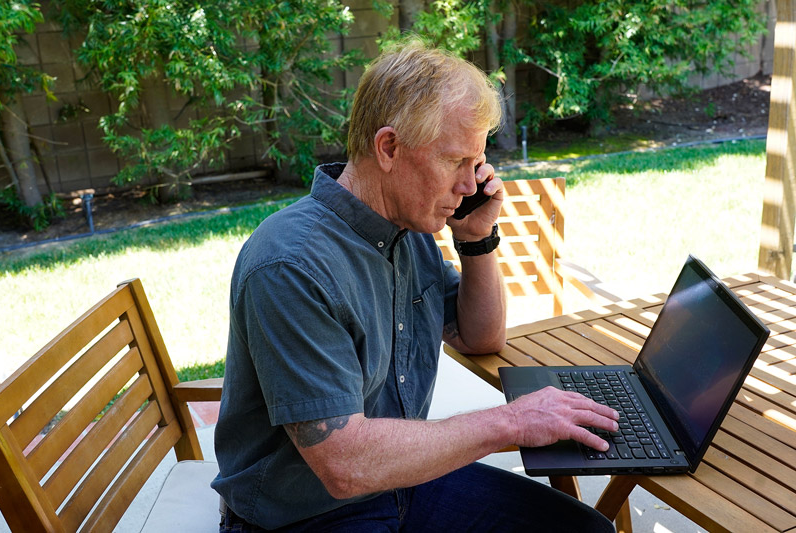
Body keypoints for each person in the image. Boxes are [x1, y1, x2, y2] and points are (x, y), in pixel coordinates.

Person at [211, 39, 618, 532]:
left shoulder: (407, 230)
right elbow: (344, 464)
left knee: (587, 530)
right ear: (388, 148)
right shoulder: (290, 266)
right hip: (307, 515)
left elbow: (481, 337)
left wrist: (475, 240)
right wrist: (510, 422)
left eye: (477, 164)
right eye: (455, 162)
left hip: (400, 482)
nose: (471, 186)